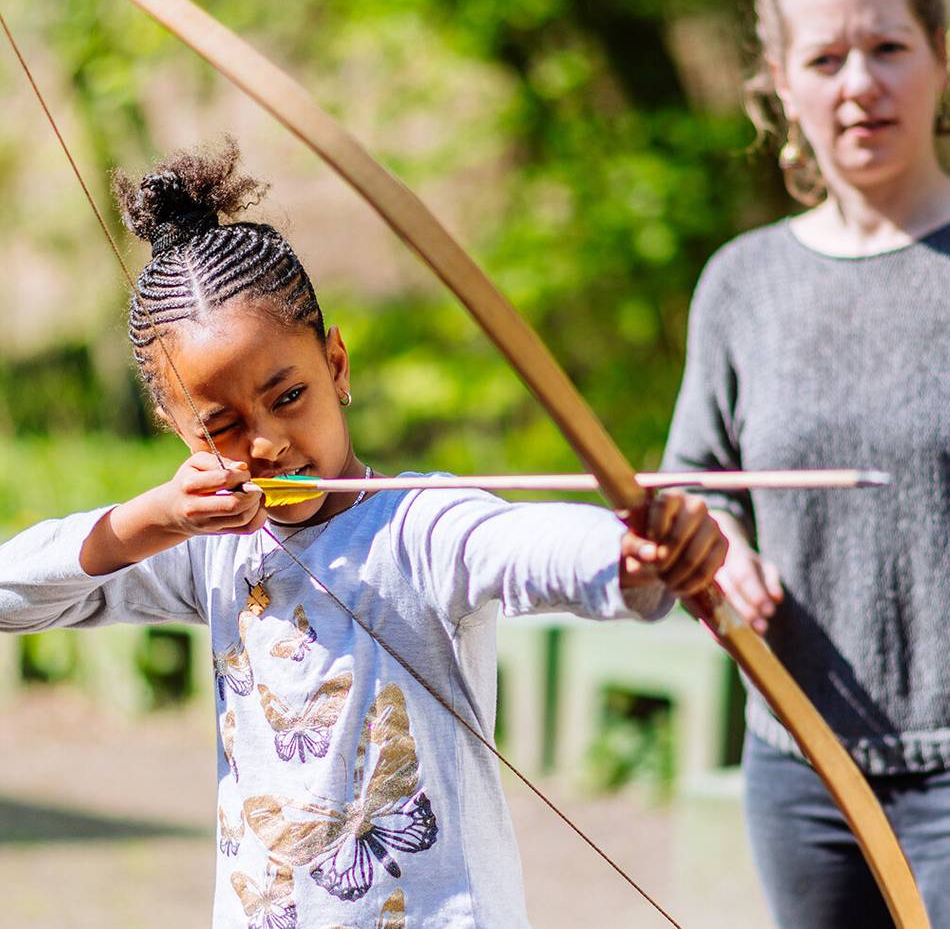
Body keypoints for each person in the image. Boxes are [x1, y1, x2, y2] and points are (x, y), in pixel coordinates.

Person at [0, 140, 726, 928]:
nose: (267, 443)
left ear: (337, 365)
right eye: (221, 426)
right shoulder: (210, 548)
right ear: (174, 428)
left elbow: (521, 546)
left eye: (288, 396)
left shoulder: (418, 526)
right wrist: (149, 520)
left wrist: (634, 551)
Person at [662, 0, 950, 926]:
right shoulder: (741, 283)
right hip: (801, 770)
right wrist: (719, 545)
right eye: (826, 60)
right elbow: (695, 481)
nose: (859, 84)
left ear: (941, 56)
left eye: (888, 48)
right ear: (783, 82)